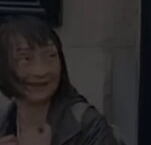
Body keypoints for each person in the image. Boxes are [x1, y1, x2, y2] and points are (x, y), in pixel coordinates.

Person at [0, 15, 124, 145]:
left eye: (51, 56)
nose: (41, 71)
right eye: (26, 59)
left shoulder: (88, 125)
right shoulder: (5, 122)